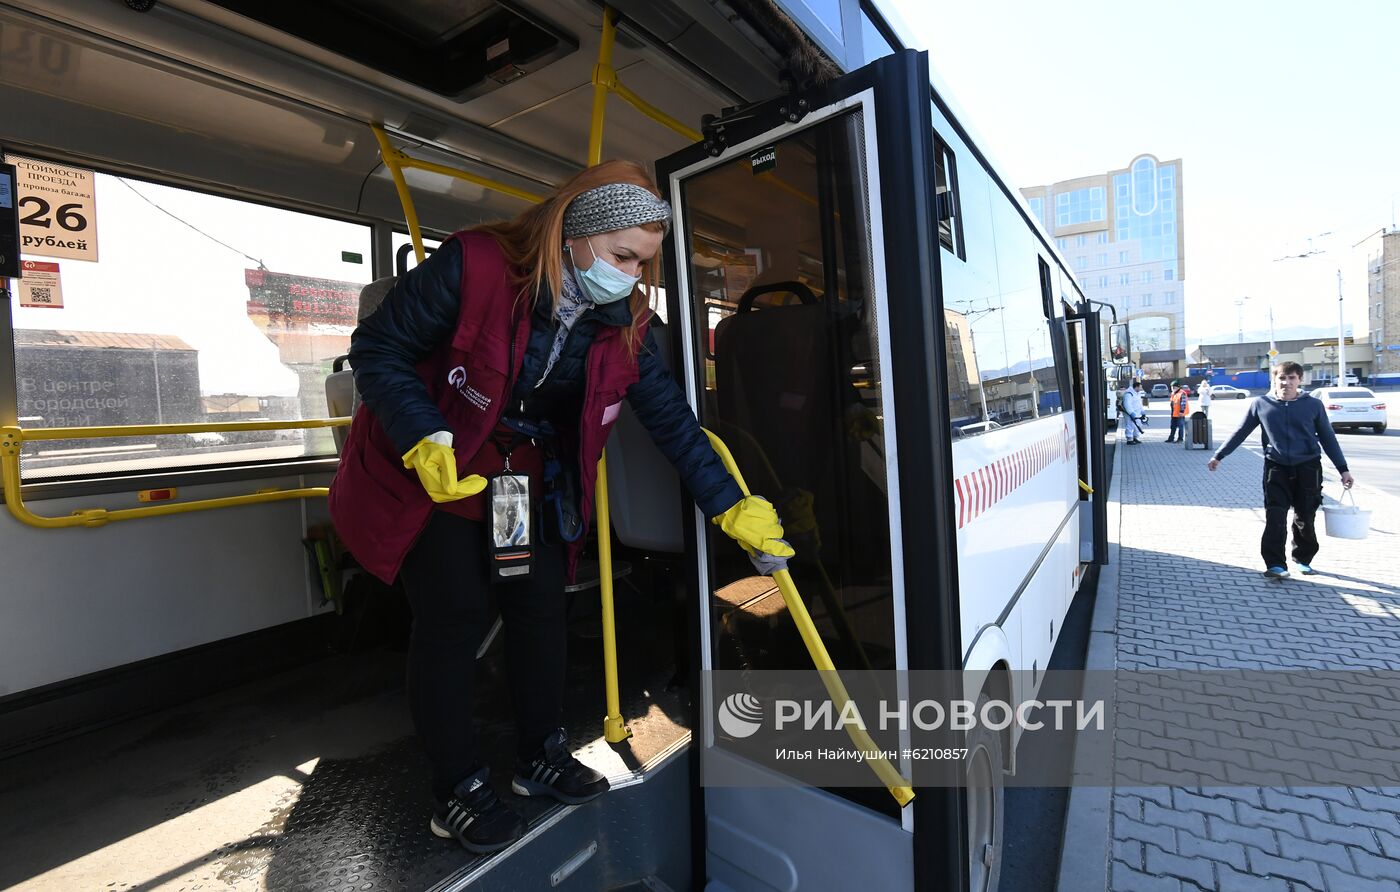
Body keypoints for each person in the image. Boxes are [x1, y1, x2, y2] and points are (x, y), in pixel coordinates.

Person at [329, 161, 793, 854]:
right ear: (574, 237)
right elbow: (378, 349)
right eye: (622, 256)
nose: (633, 277)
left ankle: (541, 755)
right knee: (453, 618)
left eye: (644, 263)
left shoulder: (626, 322)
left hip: (525, 476)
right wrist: (422, 432)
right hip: (441, 465)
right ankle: (456, 787)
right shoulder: (476, 265)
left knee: (541, 608)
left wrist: (730, 506)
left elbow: (672, 422)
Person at [1207, 361, 1354, 579]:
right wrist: (1219, 455)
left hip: (1308, 467)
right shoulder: (1261, 403)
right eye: (1282, 378)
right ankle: (1275, 564)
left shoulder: (1312, 405)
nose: (1286, 383)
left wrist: (1343, 470)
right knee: (1275, 515)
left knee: (1305, 515)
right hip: (1276, 467)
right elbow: (1241, 431)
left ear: (1300, 380)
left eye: (1292, 378)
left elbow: (1327, 438)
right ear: (1274, 380)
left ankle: (1303, 559)